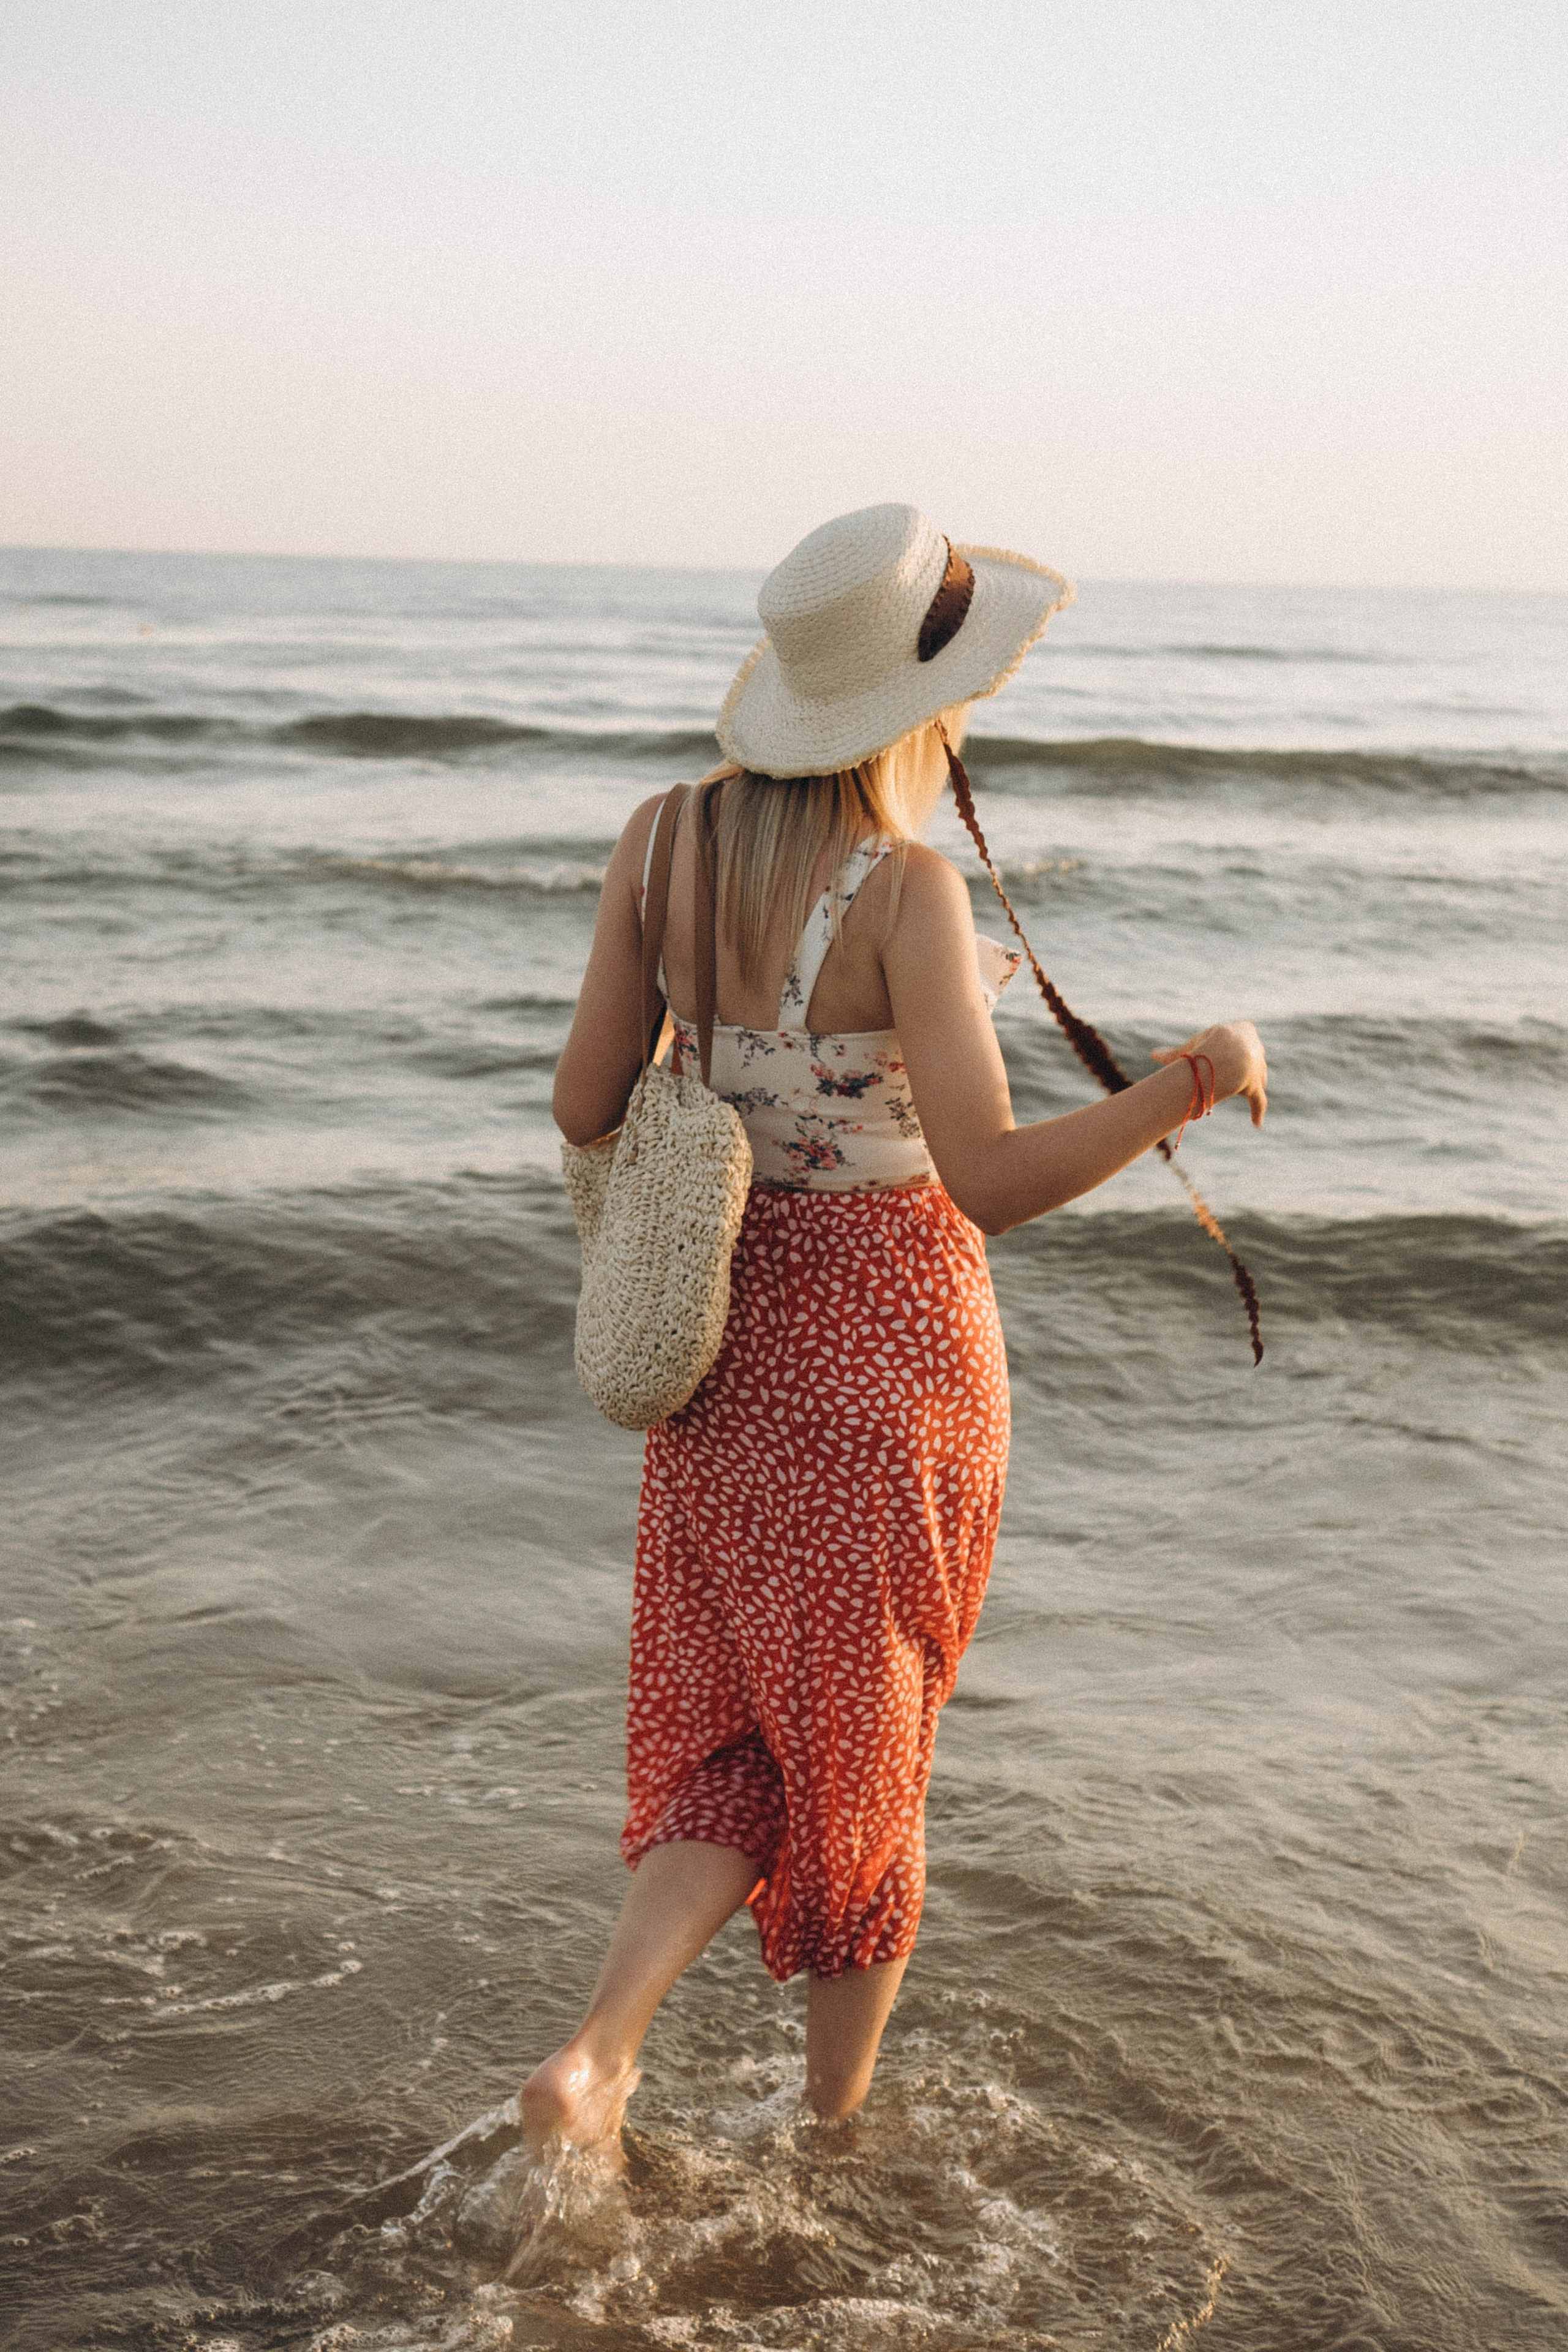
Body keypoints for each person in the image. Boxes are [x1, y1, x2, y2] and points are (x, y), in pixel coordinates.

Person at [534, 503, 1267, 2154]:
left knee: (732, 1732)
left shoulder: (657, 840)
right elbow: (993, 1182)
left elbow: (588, 1104)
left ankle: (597, 2055)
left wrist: (722, 1074)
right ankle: (832, 2141)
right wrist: (1190, 1082)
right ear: (922, 707)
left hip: (720, 1349)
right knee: (868, 1753)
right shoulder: (906, 891)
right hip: (891, 1351)